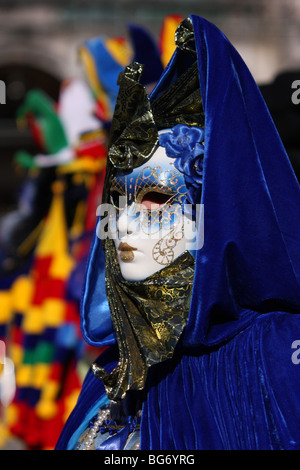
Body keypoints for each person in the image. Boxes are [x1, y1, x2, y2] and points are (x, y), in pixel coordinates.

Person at [56, 15, 300, 450]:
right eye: (118, 198)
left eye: (154, 198)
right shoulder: (112, 370)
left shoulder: (279, 356)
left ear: (214, 211)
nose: (123, 222)